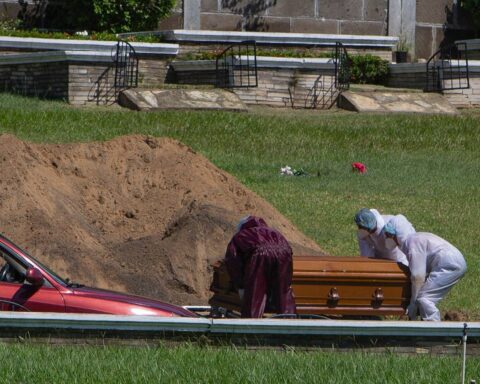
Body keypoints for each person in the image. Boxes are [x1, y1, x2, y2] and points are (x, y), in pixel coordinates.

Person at [383, 215, 467, 321]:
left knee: (425, 298)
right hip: (453, 262)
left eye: (388, 235)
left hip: (450, 264)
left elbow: (418, 277)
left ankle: (433, 330)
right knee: (424, 296)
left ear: (397, 235)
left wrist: (412, 303)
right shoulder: (413, 240)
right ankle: (426, 325)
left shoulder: (412, 243)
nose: (387, 238)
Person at [224, 215, 296, 318]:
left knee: (254, 292)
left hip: (260, 254)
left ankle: (251, 326)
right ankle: (290, 323)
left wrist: (240, 285)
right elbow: (288, 250)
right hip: (284, 254)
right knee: (283, 292)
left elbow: (233, 260)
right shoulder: (275, 232)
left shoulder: (241, 235)